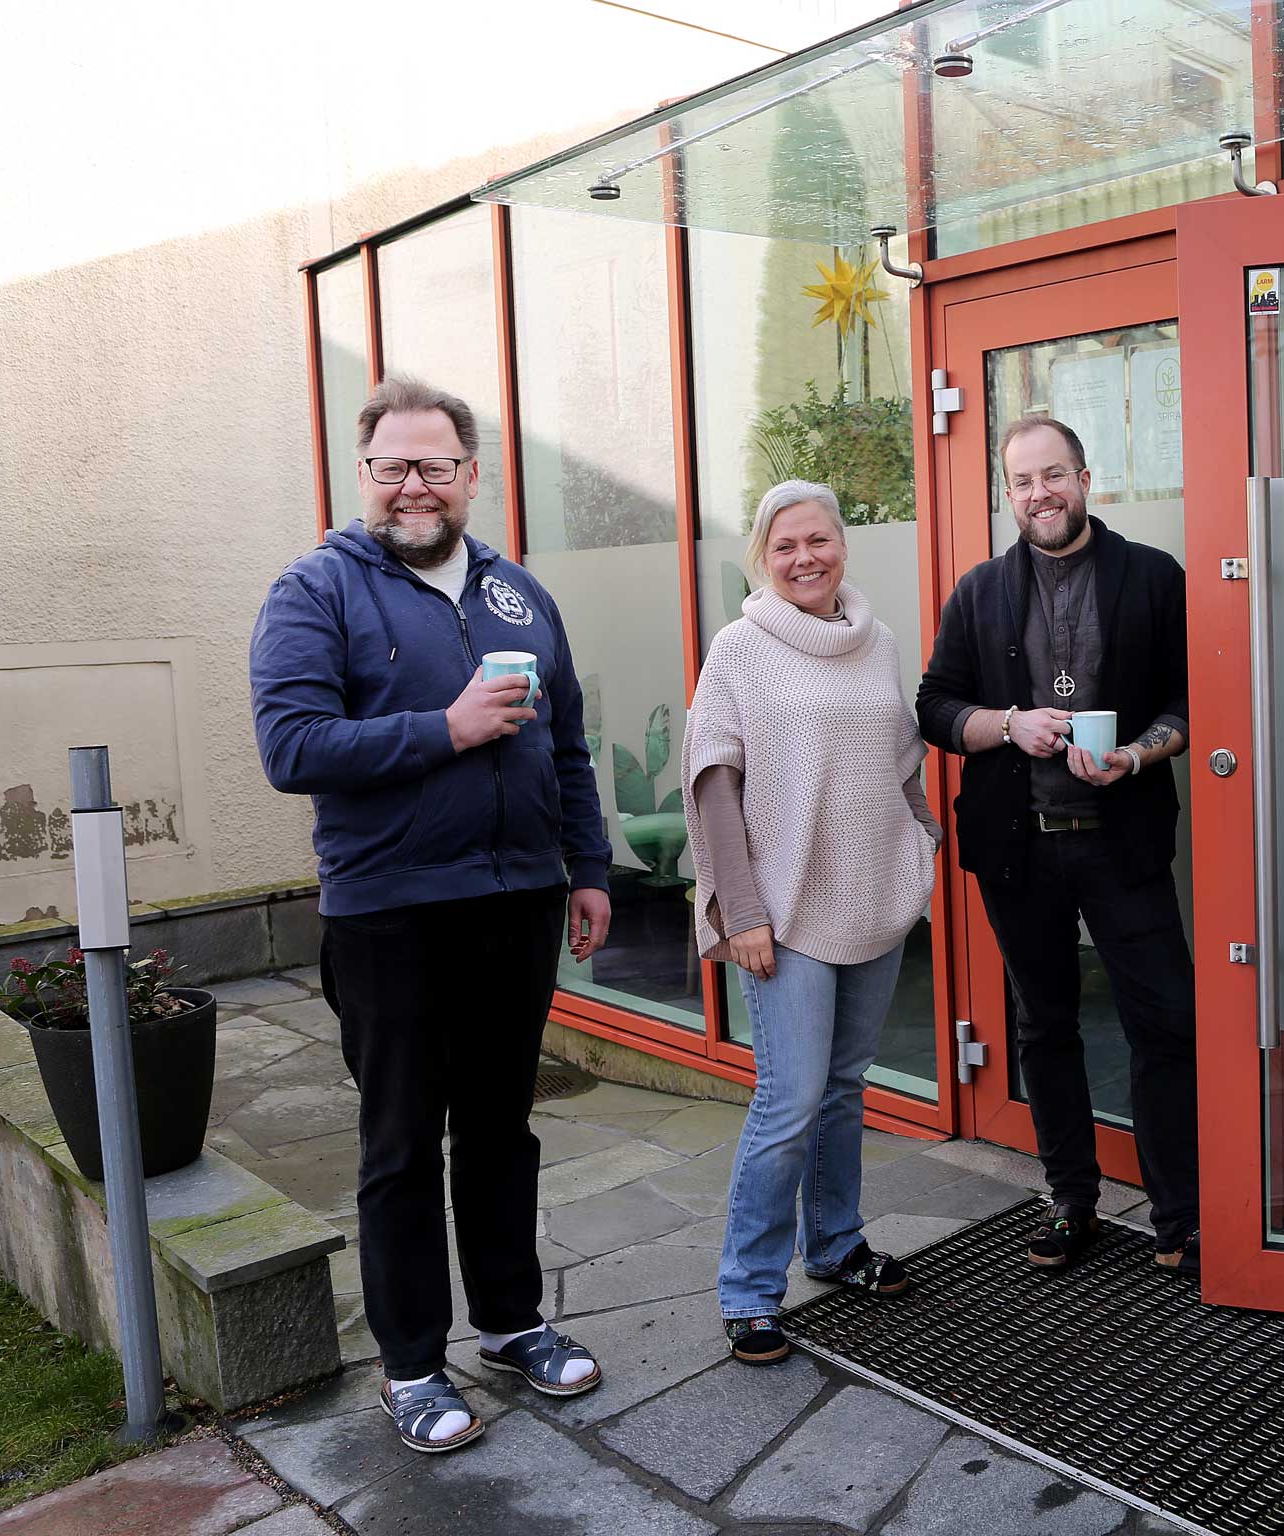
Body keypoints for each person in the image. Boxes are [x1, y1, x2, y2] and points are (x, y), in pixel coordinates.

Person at [249, 374, 611, 1453]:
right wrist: (444, 728)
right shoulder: (315, 591)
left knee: (500, 1128)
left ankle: (511, 1322)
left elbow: (567, 744)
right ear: (362, 474)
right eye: (393, 466)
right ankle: (411, 1365)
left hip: (518, 901)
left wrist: (589, 867)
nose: (415, 485)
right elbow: (291, 747)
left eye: (436, 465)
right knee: (403, 1142)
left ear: (471, 475)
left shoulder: (518, 593)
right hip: (391, 913)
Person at [915, 416, 1201, 1276]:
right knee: (1045, 1027)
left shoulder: (1153, 577)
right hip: (1021, 850)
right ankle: (1072, 1200)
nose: (1039, 493)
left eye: (1053, 475)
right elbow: (935, 708)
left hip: (1124, 844)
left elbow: (1194, 699)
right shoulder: (978, 592)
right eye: (1022, 481)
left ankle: (1182, 1218)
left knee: (1167, 1023)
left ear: (1084, 478)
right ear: (1008, 494)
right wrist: (1009, 724)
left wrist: (1136, 755)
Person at [684, 479, 944, 1365]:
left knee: (843, 1087)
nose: (805, 558)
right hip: (783, 911)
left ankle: (834, 1245)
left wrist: (921, 841)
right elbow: (714, 782)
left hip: (871, 895)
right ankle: (749, 1290)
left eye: (818, 540)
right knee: (789, 1100)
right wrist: (741, 910)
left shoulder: (877, 641)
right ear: (764, 557)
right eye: (785, 545)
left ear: (842, 544)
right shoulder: (739, 648)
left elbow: (899, 760)